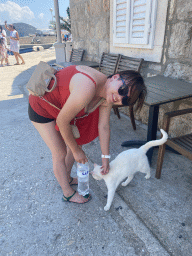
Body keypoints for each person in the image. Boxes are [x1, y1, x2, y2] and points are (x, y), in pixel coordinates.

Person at [28, 65, 147, 204]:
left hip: (60, 106)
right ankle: (67, 193)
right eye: (123, 90)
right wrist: (76, 151)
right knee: (60, 152)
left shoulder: (107, 93)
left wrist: (105, 158)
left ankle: (66, 178)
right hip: (41, 106)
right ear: (115, 77)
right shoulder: (88, 87)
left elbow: (103, 127)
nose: (119, 98)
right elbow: (62, 121)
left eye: (126, 100)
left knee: (75, 144)